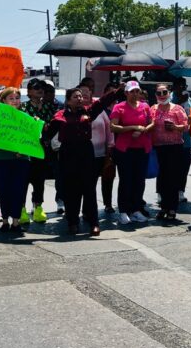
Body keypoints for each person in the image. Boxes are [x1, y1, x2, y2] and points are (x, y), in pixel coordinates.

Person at [45, 86, 121, 235]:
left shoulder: (88, 111)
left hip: (86, 152)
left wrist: (118, 91)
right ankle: (72, 222)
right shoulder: (60, 116)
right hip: (68, 154)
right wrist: (39, 125)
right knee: (71, 190)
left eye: (80, 96)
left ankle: (94, 223)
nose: (79, 99)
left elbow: (102, 102)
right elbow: (47, 133)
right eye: (75, 97)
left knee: (89, 189)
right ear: (68, 100)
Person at [0, 87, 37, 233]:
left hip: (21, 159)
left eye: (17, 98)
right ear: (3, 100)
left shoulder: (25, 116)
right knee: (4, 190)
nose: (15, 101)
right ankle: (5, 220)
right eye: (11, 98)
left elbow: (31, 137)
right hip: (0, 158)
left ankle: (16, 221)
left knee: (18, 189)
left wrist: (35, 124)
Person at [110, 80, 153, 225]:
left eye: (137, 91)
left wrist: (144, 130)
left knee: (139, 181)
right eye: (132, 91)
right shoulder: (119, 107)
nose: (135, 94)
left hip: (142, 148)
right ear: (126, 93)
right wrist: (133, 128)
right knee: (126, 180)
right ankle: (123, 211)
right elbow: (113, 127)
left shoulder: (145, 106)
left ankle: (136, 210)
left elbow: (151, 122)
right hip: (125, 150)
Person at [149, 83, 189, 221]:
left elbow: (186, 126)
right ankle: (163, 207)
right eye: (159, 93)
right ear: (155, 95)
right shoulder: (153, 109)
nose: (161, 96)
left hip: (174, 147)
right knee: (161, 178)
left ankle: (172, 208)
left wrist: (175, 127)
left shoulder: (177, 109)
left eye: (164, 92)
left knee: (172, 178)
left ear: (169, 92)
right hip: (158, 147)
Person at [21, 78, 56, 224]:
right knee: (23, 180)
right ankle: (21, 209)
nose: (40, 90)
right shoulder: (23, 107)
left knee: (39, 180)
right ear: (29, 91)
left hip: (43, 149)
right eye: (36, 87)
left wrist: (47, 127)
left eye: (42, 87)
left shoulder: (49, 106)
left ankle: (38, 207)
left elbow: (53, 124)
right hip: (26, 149)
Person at [94, 82, 120, 216]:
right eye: (110, 93)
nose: (113, 97)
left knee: (108, 177)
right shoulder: (98, 108)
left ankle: (108, 204)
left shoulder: (119, 108)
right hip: (97, 150)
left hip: (113, 148)